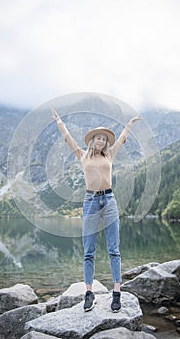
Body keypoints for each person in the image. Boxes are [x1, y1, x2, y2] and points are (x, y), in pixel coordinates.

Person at [51, 108, 141, 312]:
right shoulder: (82, 156)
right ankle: (89, 294)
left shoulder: (110, 155)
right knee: (88, 251)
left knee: (114, 250)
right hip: (90, 201)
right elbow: (68, 139)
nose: (101, 141)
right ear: (93, 141)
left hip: (109, 200)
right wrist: (59, 122)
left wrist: (130, 124)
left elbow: (123, 139)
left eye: (103, 139)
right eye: (98, 138)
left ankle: (116, 293)